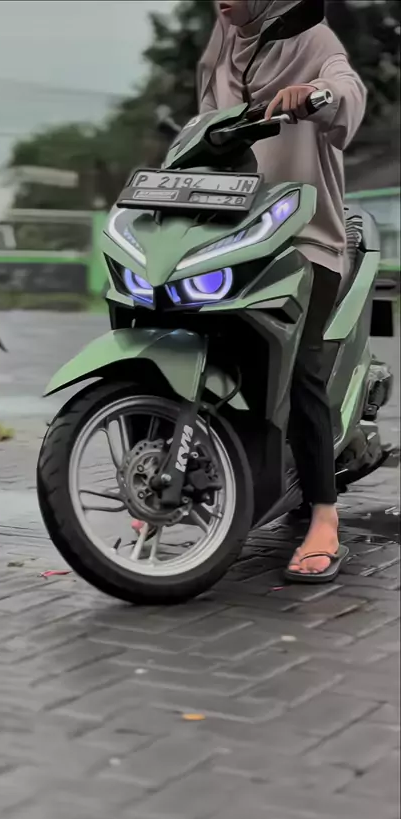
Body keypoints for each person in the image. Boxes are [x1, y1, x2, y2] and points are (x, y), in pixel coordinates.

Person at [197, 0, 367, 581]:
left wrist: (316, 94)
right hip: (233, 237)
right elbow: (204, 134)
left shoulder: (312, 39)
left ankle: (324, 518)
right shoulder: (223, 48)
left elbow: (348, 91)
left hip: (305, 237)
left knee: (300, 370)